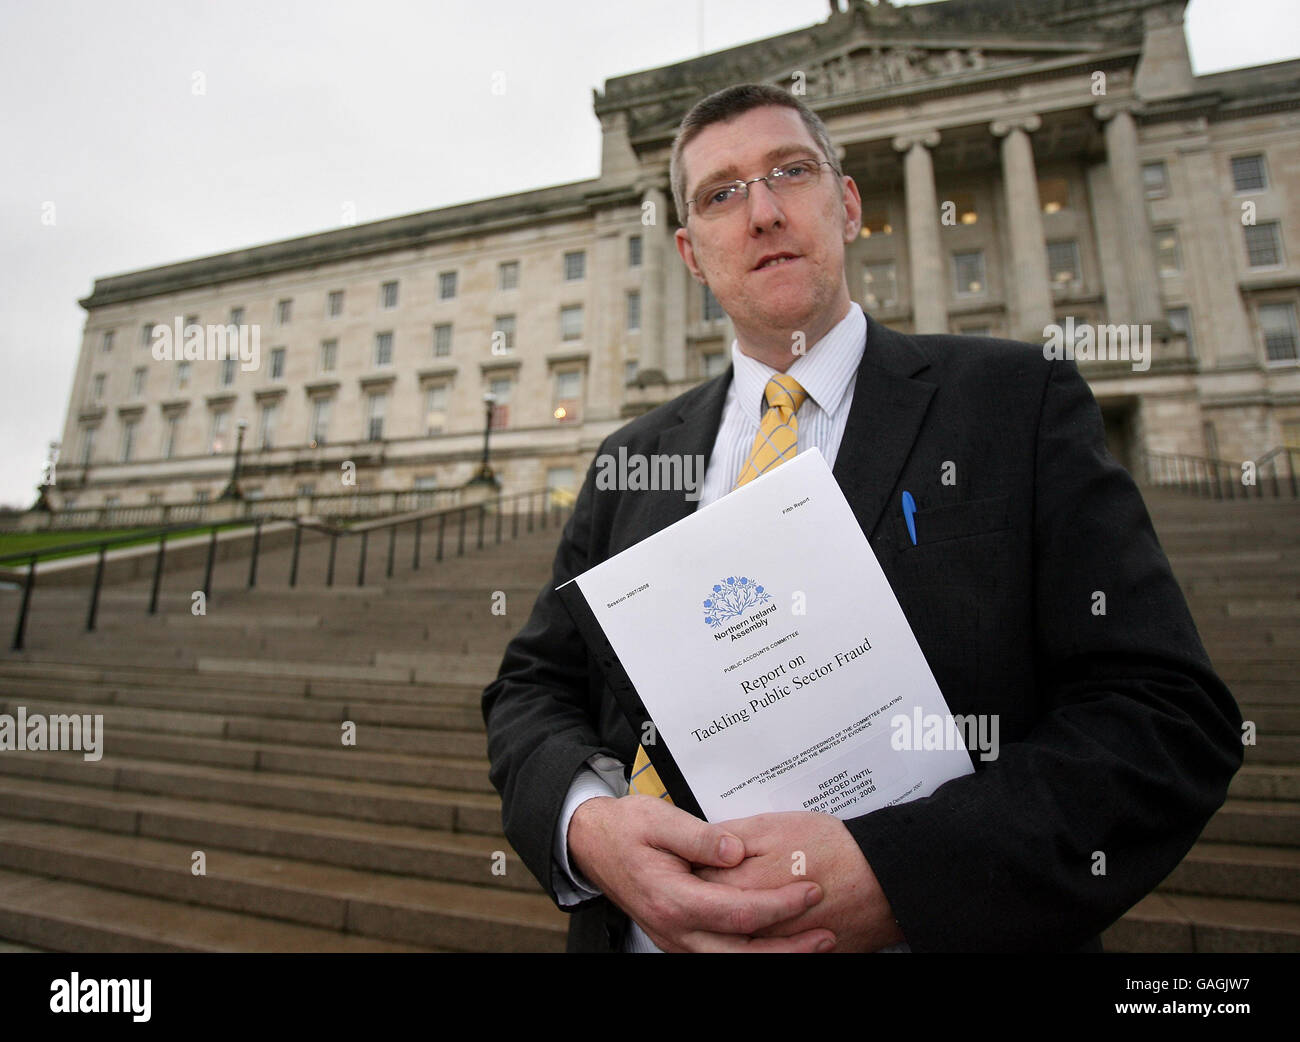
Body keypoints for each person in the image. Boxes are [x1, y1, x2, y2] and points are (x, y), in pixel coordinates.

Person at [481, 83, 1243, 953]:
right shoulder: (632, 457)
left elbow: (1165, 714)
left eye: (790, 172)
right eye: (722, 193)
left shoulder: (1016, 402)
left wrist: (901, 873)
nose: (762, 212)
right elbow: (532, 688)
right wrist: (587, 824)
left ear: (847, 205)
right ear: (691, 254)